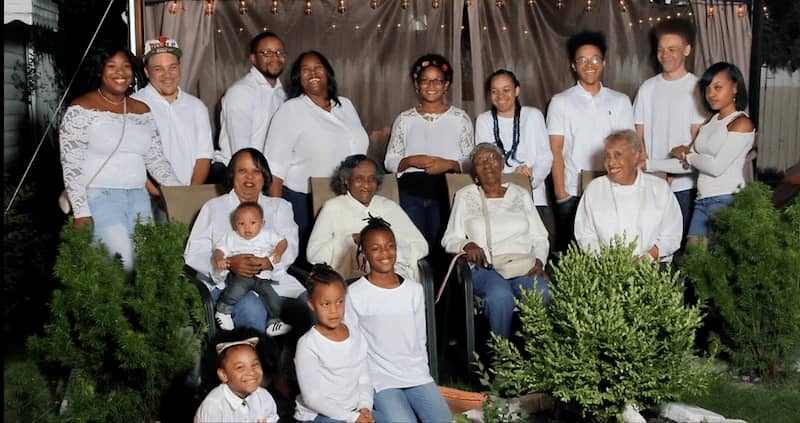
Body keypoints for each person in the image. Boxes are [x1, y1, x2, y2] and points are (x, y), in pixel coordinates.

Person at [59, 46, 180, 270]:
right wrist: (81, 212)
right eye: (111, 66)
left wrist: (180, 193)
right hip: (99, 197)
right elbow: (71, 165)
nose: (120, 72)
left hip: (139, 198)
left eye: (126, 66)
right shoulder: (81, 108)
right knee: (120, 263)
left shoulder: (142, 110)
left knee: (143, 267)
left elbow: (156, 160)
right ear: (99, 71)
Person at [185, 148, 309, 335]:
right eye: (242, 171)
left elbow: (289, 245)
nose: (250, 177)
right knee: (253, 311)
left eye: (256, 171)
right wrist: (228, 264)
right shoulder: (214, 208)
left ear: (265, 176)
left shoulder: (280, 207)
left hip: (273, 280)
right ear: (232, 175)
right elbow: (193, 253)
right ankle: (259, 362)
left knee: (309, 307)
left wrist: (269, 262)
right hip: (228, 285)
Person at [265, 50, 369, 262]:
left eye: (318, 67)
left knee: (349, 261)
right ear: (298, 78)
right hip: (306, 202)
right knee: (316, 266)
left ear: (327, 73)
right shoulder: (290, 111)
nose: (312, 72)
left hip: (349, 198)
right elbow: (274, 171)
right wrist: (276, 219)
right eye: (305, 69)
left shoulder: (345, 105)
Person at [345, 217, 451, 423]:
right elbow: (353, 346)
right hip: (380, 379)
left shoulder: (414, 290)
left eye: (389, 246)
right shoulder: (355, 293)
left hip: (415, 375)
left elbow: (420, 339)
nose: (384, 253)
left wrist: (424, 376)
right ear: (364, 253)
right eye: (375, 248)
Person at [441, 143, 551, 339]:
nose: (487, 163)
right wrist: (466, 244)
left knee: (544, 293)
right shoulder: (465, 196)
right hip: (485, 268)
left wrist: (539, 261)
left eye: (492, 158)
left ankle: (541, 357)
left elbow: (539, 236)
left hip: (523, 265)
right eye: (480, 161)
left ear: (502, 164)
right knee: (500, 298)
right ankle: (503, 359)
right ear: (474, 173)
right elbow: (450, 238)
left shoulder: (520, 194)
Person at [644, 62, 755, 246]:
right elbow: (688, 164)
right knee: (693, 263)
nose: (711, 94)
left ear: (735, 87)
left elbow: (715, 167)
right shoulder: (710, 122)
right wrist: (647, 164)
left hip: (727, 199)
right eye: (707, 88)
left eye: (718, 87)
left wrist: (687, 155)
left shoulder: (741, 123)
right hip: (702, 201)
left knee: (718, 267)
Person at [547, 31, 634, 254]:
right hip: (573, 192)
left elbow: (628, 148)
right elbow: (555, 150)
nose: (589, 65)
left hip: (613, 190)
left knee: (612, 251)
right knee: (575, 257)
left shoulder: (620, 101)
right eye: (582, 60)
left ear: (603, 63)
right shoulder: (560, 102)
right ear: (573, 66)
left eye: (595, 59)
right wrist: (560, 193)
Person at [384, 53, 474, 250]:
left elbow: (470, 160)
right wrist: (410, 160)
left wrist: (449, 164)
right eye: (425, 80)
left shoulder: (460, 118)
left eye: (437, 81)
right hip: (411, 191)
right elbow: (390, 161)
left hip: (447, 190)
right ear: (417, 85)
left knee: (442, 246)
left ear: (446, 85)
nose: (431, 86)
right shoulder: (405, 119)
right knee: (413, 246)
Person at [633, 19, 708, 248]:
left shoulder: (697, 89)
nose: (665, 55)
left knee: (683, 248)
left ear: (687, 50)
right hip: (652, 183)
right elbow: (638, 134)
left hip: (685, 185)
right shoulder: (648, 88)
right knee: (650, 246)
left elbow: (698, 142)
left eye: (672, 49)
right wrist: (651, 169)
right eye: (661, 49)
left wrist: (672, 172)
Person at [307, 154, 428, 280]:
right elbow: (314, 255)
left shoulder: (388, 206)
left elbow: (421, 245)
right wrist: (349, 240)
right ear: (346, 181)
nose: (366, 185)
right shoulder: (332, 207)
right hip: (352, 280)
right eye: (359, 179)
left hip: (395, 275)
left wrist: (393, 248)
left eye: (371, 179)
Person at [574, 130, 683, 266]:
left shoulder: (659, 189)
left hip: (653, 266)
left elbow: (672, 235)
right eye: (608, 156)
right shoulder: (594, 189)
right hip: (607, 267)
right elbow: (585, 235)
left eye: (617, 155)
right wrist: (607, 261)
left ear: (636, 157)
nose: (611, 162)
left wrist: (646, 259)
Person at [294, 264, 377, 423]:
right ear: (312, 305)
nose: (334, 310)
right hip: (319, 414)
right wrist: (353, 418)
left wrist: (364, 407)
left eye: (339, 302)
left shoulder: (356, 334)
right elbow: (312, 398)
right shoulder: (308, 344)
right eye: (325, 304)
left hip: (353, 410)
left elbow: (364, 378)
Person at [475, 69, 553, 230]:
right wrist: (513, 180)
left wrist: (530, 179)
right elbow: (484, 163)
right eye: (494, 91)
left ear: (517, 90)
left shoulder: (533, 116)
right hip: (498, 200)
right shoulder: (484, 120)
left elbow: (545, 157)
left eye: (506, 90)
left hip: (534, 197)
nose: (500, 96)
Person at [132, 36, 214, 188]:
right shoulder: (134, 105)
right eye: (158, 69)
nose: (167, 75)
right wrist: (156, 194)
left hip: (188, 194)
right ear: (147, 72)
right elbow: (132, 159)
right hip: (148, 197)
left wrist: (190, 194)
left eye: (172, 67)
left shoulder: (197, 107)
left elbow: (204, 156)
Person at [213, 31, 288, 179]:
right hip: (237, 174)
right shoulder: (241, 92)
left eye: (279, 52)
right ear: (253, 58)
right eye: (267, 53)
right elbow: (241, 149)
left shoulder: (282, 94)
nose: (275, 57)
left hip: (269, 174)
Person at [213, 201, 292, 336]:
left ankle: (273, 322)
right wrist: (220, 259)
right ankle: (223, 310)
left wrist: (278, 251)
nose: (247, 228)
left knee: (272, 298)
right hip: (240, 274)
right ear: (235, 225)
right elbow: (219, 250)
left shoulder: (267, 234)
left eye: (253, 223)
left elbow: (283, 241)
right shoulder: (231, 237)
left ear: (262, 223)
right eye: (241, 224)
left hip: (261, 277)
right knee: (237, 289)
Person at [194, 337, 280, 423]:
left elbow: (271, 417)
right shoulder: (214, 406)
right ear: (224, 375)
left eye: (255, 364)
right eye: (240, 367)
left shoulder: (263, 396)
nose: (251, 372)